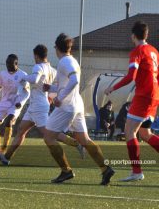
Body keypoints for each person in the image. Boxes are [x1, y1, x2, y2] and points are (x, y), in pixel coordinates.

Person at [43, 33, 114, 185]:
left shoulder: (64, 62)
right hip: (77, 104)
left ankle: (66, 171)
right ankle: (105, 168)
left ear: (57, 47)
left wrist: (60, 98)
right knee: (84, 140)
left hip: (67, 106)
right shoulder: (72, 60)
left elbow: (74, 81)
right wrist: (51, 87)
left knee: (48, 136)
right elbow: (67, 83)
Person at [0, 44, 85, 165]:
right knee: (21, 130)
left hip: (39, 107)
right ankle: (7, 157)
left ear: (36, 56)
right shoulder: (52, 70)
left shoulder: (38, 67)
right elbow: (55, 87)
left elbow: (35, 80)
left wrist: (24, 77)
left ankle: (76, 143)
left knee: (49, 133)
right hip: (35, 105)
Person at [105, 21, 159, 182]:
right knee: (145, 133)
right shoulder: (154, 51)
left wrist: (112, 88)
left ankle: (137, 172)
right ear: (147, 35)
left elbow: (131, 76)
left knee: (129, 131)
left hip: (144, 96)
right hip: (154, 95)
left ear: (133, 36)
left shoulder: (138, 51)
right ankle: (136, 171)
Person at [0, 54, 30, 153]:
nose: (8, 65)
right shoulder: (3, 74)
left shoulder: (23, 75)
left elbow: (27, 92)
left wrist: (21, 102)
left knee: (9, 121)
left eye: (10, 63)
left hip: (15, 104)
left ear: (16, 64)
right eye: (7, 63)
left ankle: (5, 149)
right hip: (4, 102)